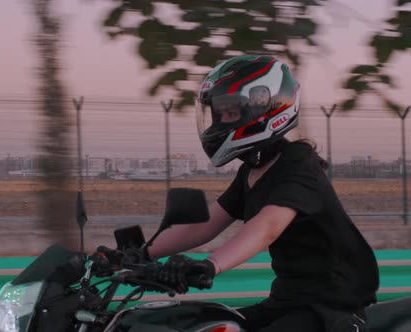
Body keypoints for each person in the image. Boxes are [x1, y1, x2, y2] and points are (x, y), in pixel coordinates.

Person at [97, 54, 379, 332]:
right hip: (287, 302)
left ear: (264, 108)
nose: (220, 123)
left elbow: (266, 227)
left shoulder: (299, 165)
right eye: (218, 114)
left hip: (330, 310)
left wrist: (209, 266)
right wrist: (137, 253)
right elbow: (206, 224)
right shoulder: (254, 169)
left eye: (230, 112)